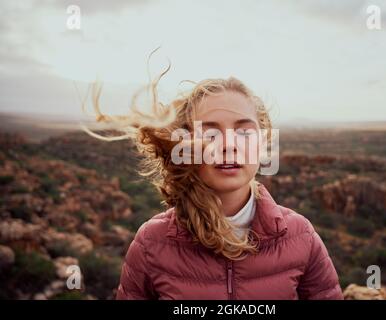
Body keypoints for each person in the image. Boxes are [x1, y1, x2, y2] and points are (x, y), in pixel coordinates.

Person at [82, 61, 343, 300]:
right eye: (209, 132)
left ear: (263, 143)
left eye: (244, 131)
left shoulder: (300, 236)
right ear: (186, 145)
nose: (229, 144)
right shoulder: (152, 242)